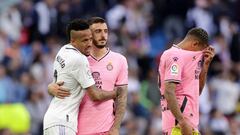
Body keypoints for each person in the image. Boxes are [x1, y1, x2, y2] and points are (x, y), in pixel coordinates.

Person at [48, 17, 128, 135]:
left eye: (105, 31)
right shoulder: (78, 59)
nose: (103, 35)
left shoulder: (119, 60)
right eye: (98, 31)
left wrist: (116, 127)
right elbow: (58, 85)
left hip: (106, 129)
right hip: (78, 128)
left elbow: (122, 98)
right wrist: (50, 88)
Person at [158, 28, 215, 135]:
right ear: (195, 44)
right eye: (200, 51)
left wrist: (205, 66)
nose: (200, 55)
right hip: (178, 125)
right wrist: (182, 122)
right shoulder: (175, 56)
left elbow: (197, 92)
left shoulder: (186, 58)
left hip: (190, 123)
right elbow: (169, 91)